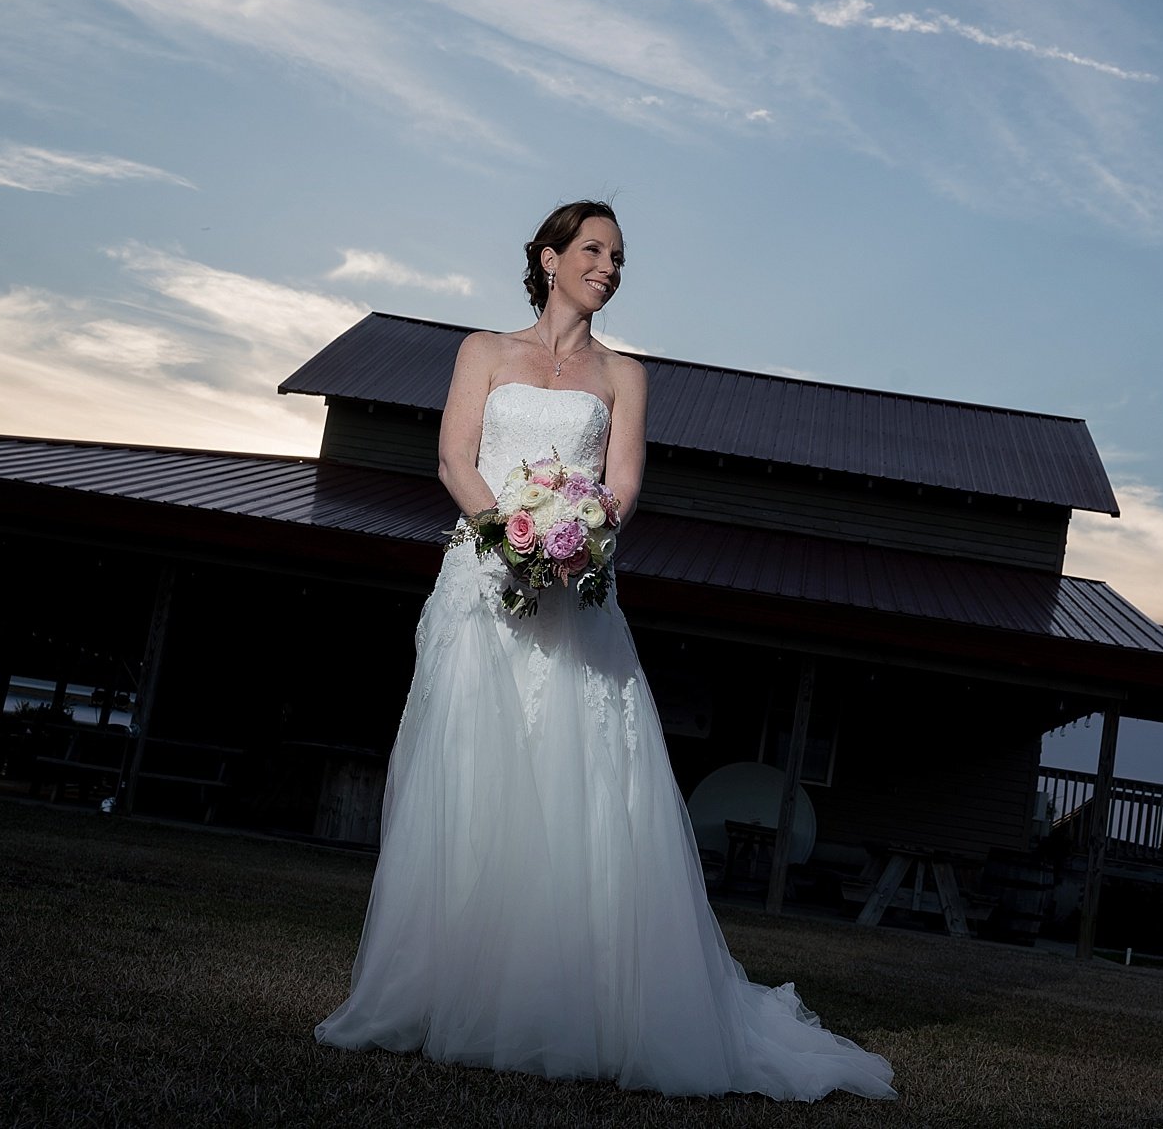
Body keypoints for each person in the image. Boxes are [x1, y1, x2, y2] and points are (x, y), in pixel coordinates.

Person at [315, 201, 896, 1101]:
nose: (610, 267)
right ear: (549, 259)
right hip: (484, 590)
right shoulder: (483, 352)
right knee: (471, 780)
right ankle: (448, 988)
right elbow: (453, 460)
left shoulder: (625, 375)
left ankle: (574, 1001)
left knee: (580, 785)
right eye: (594, 250)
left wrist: (576, 539)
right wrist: (510, 535)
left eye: (620, 257)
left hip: (577, 602)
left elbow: (621, 487)